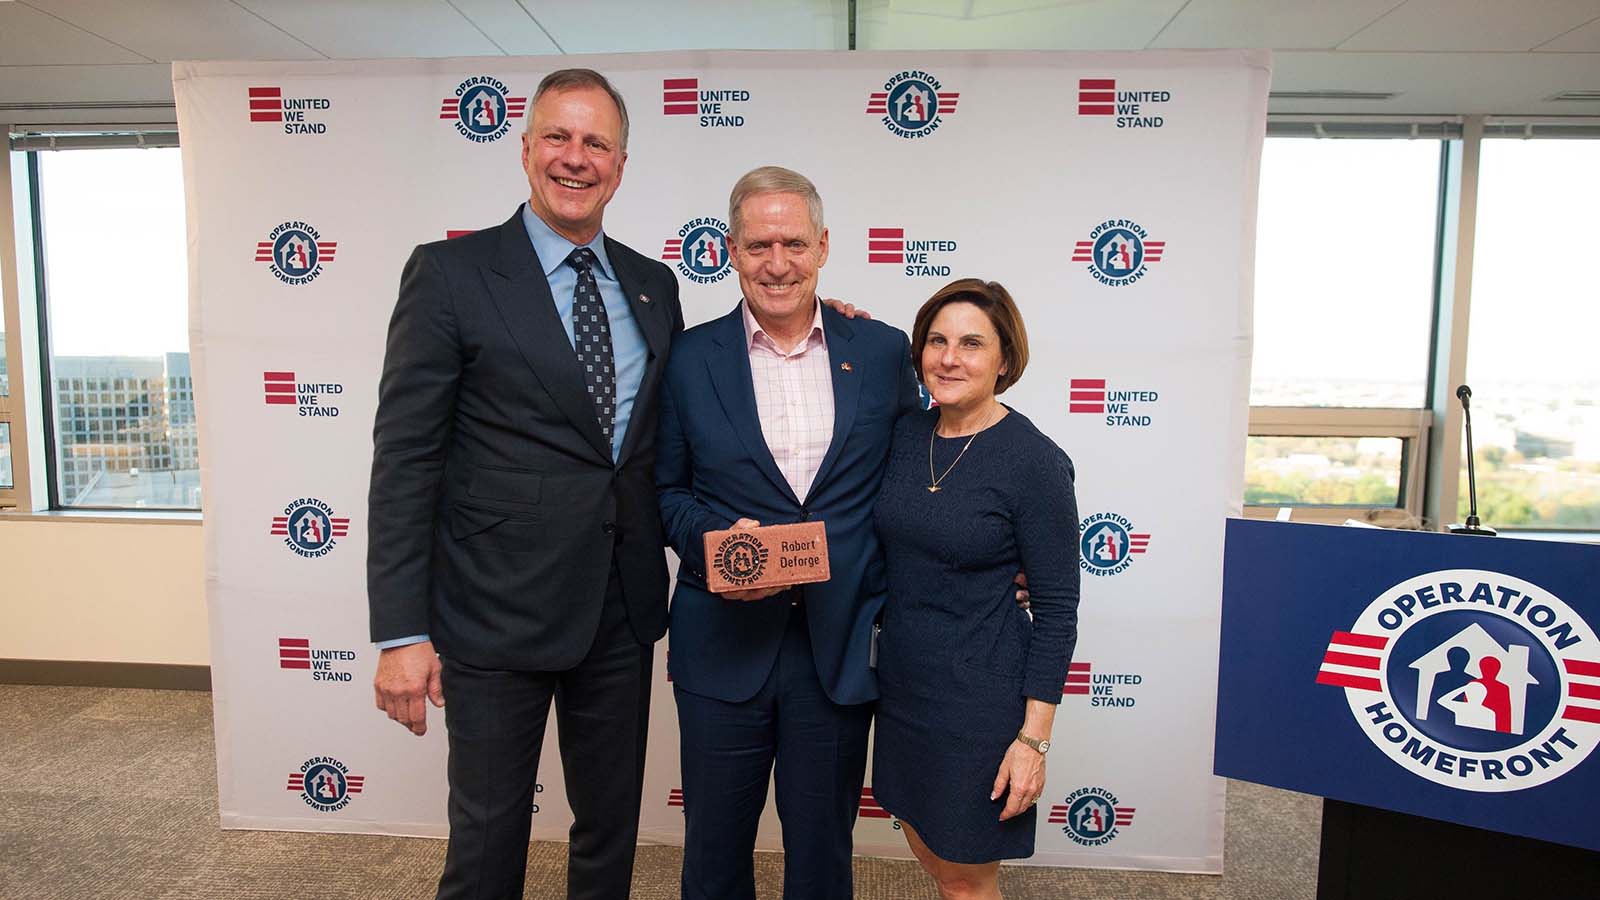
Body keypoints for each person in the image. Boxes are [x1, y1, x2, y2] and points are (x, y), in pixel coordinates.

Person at [366, 68, 684, 900]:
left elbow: (673, 430)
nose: (575, 158)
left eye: (596, 143)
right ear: (525, 149)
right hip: (491, 610)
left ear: (621, 164)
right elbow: (405, 460)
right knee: (487, 836)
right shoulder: (449, 274)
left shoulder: (656, 285)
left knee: (610, 832)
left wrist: (822, 320)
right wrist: (402, 631)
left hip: (620, 608)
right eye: (558, 137)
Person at [655, 166, 921, 900]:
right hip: (722, 649)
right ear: (731, 251)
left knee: (823, 857)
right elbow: (666, 493)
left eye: (795, 243)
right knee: (713, 855)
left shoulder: (880, 351)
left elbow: (921, 481)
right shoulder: (685, 359)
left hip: (836, 652)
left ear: (824, 246)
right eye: (761, 244)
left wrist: (1005, 557)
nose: (779, 263)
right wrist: (720, 548)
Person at [872, 278, 1081, 899]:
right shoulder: (905, 434)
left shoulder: (1035, 462)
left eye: (970, 343)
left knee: (967, 880)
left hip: (981, 703)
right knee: (930, 856)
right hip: (903, 687)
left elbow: (1057, 610)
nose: (949, 358)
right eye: (936, 341)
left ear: (1005, 359)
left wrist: (1032, 739)